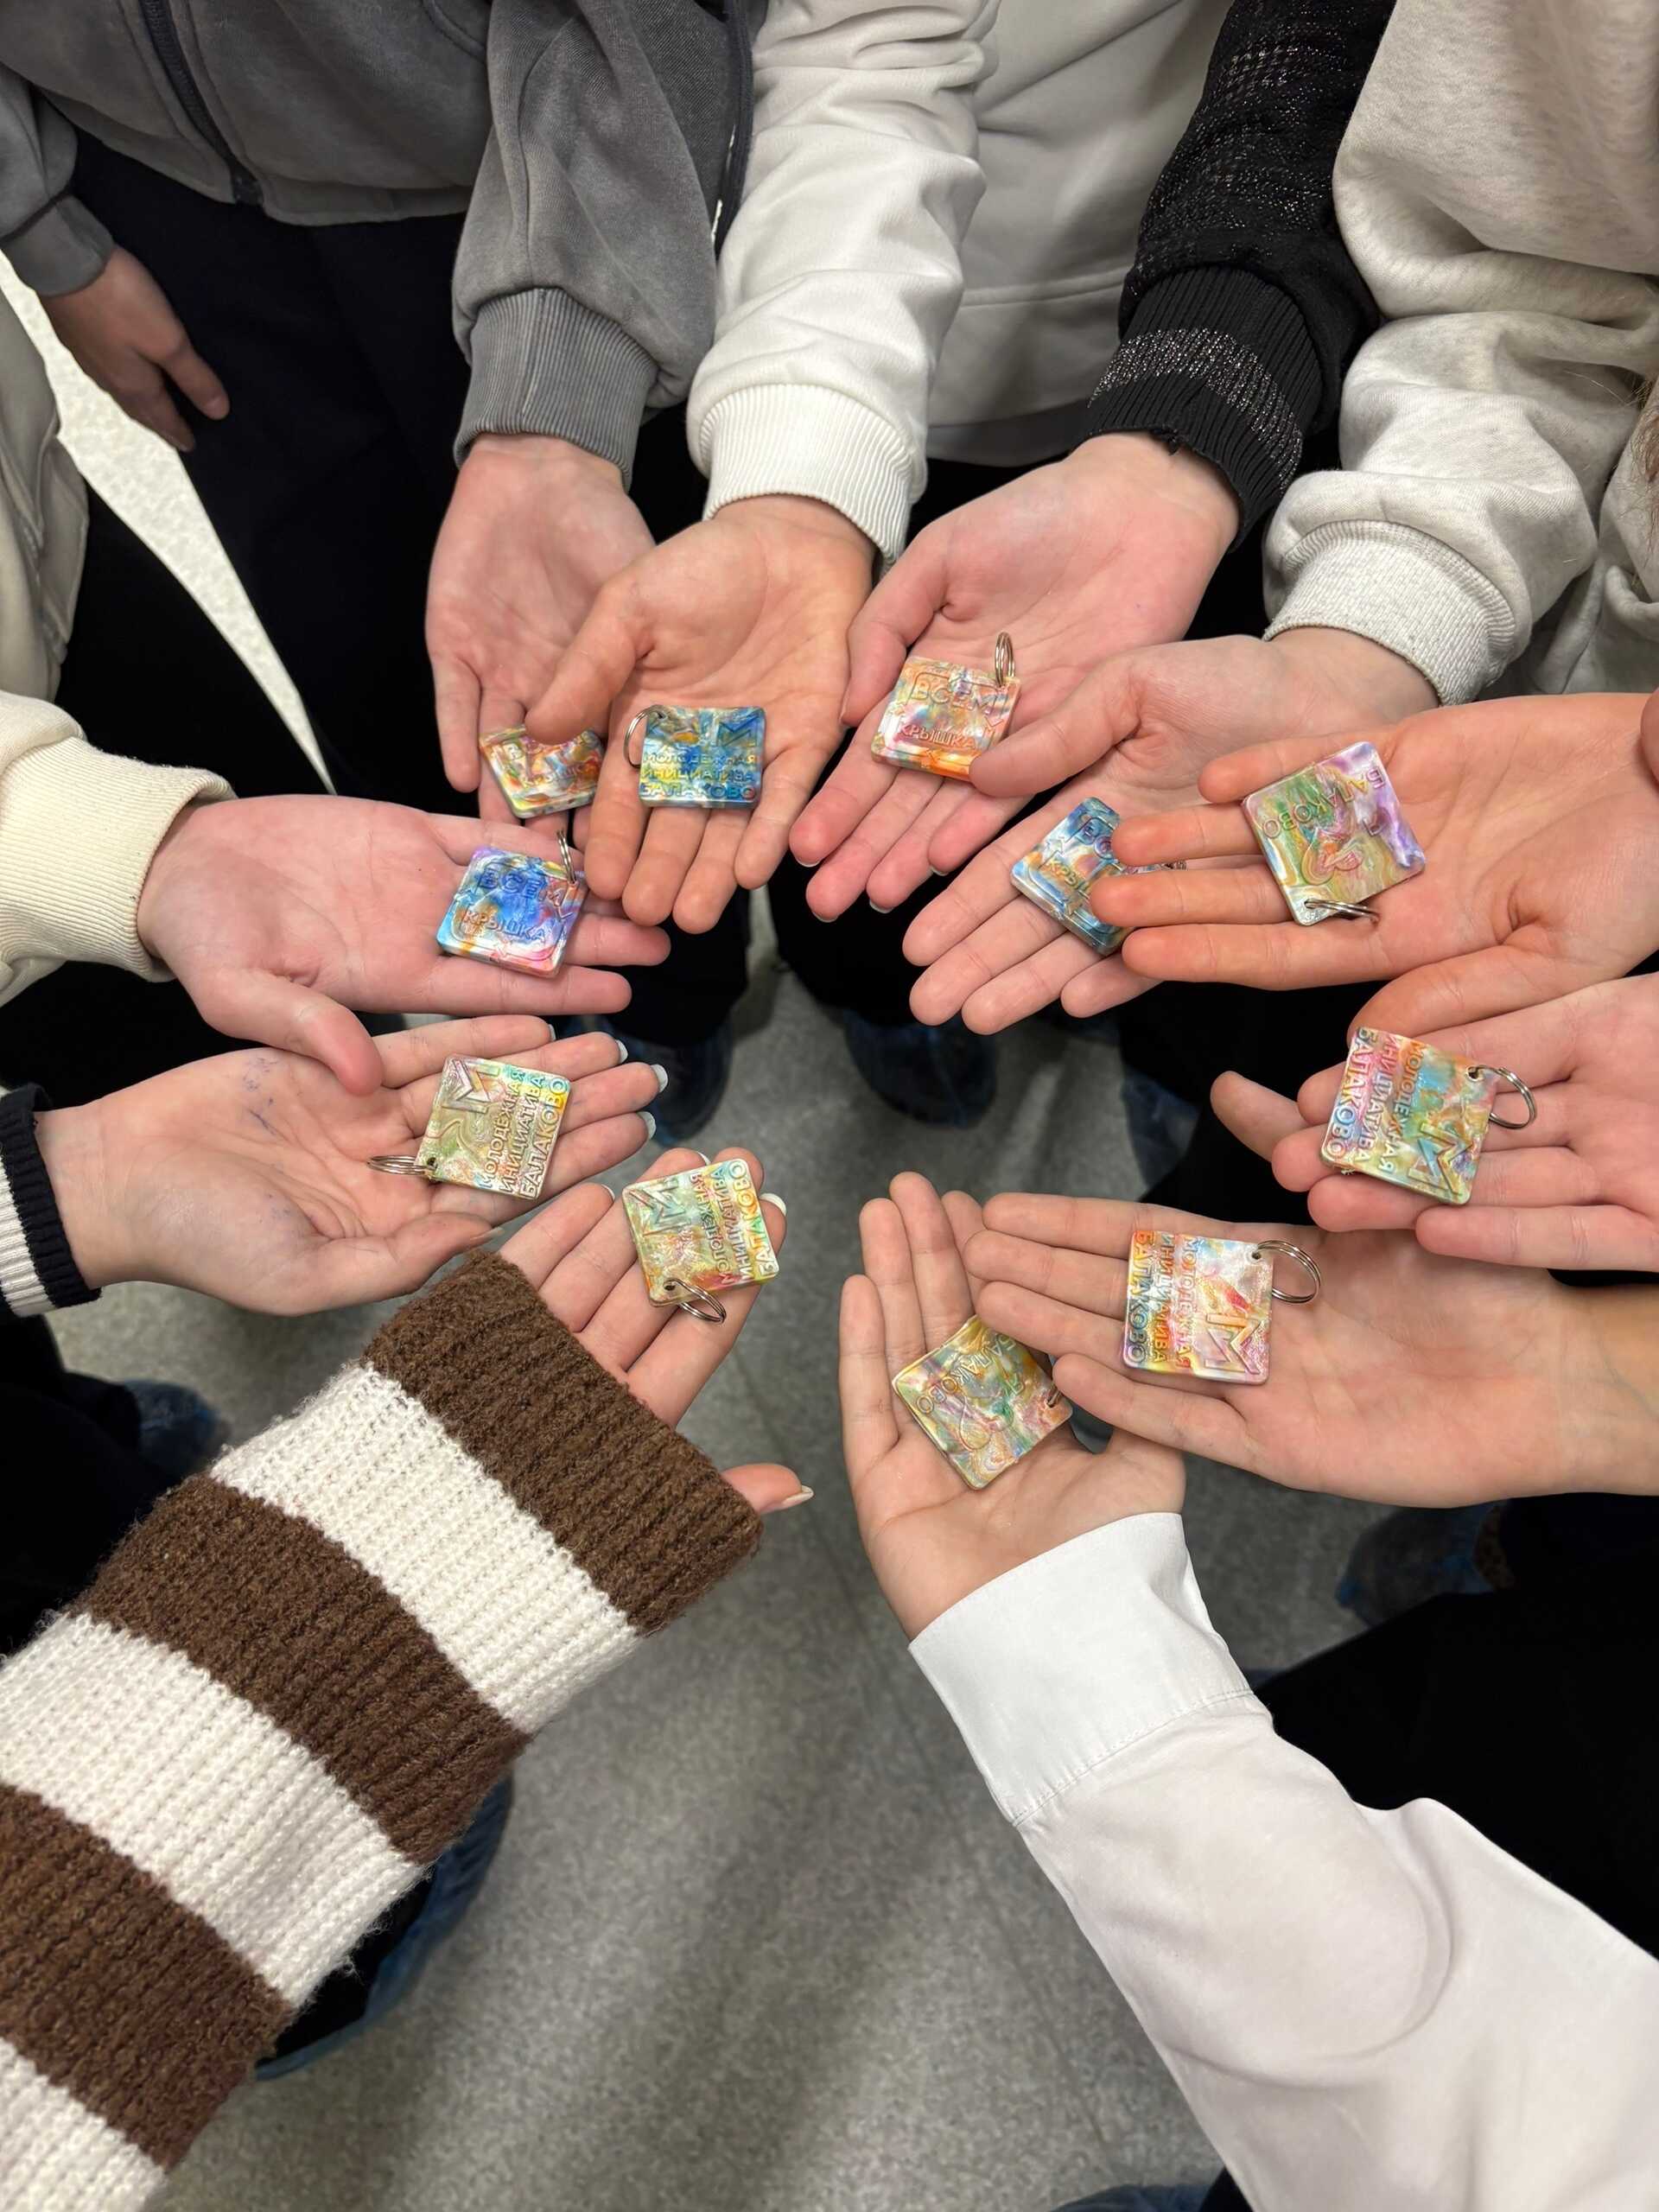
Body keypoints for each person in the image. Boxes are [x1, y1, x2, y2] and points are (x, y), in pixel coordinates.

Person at [526, 0, 1405, 1135]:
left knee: (1140, 775)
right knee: (854, 764)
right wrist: (798, 481)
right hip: (877, 339)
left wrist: (1362, 616)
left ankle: (1131, 1046)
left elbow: (1347, 92)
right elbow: (859, 60)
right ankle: (871, 996)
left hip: (1266, 364)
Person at [842, 1173, 1659, 2210]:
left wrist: (1118, 1700)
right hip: (1531, 1690)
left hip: (1432, 1891)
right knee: (1375, 1702)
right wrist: (1603, 1378)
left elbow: (1482, 2131)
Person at [0, 1156, 798, 2209]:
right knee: (398, 1872)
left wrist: (45, 1193)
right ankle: (332, 2000)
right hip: (219, 1864)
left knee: (95, 1454)